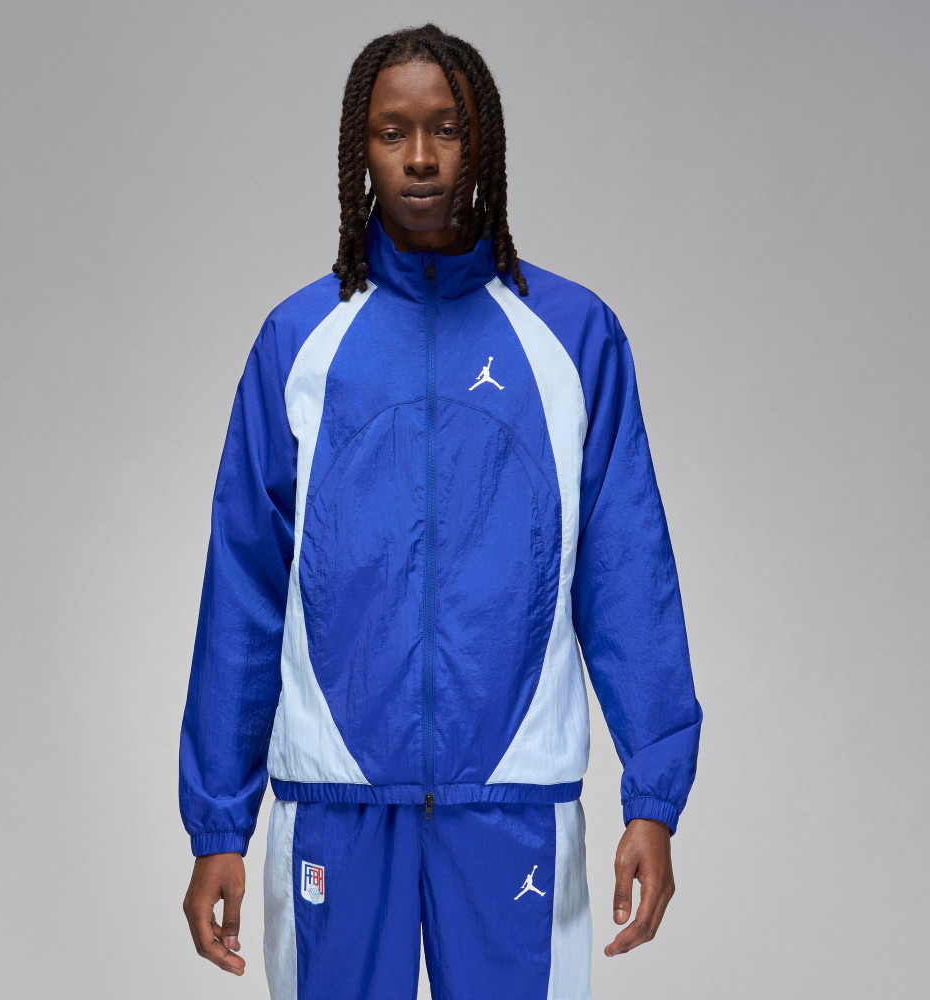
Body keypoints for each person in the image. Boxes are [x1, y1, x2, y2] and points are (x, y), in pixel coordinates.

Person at [179, 22, 703, 1000]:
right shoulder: (300, 342)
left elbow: (627, 571)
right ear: (361, 147)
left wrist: (654, 795)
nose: (420, 157)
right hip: (333, 802)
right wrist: (218, 824)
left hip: (514, 802)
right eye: (392, 131)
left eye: (446, 129)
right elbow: (242, 589)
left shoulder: (572, 337)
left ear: (482, 141)